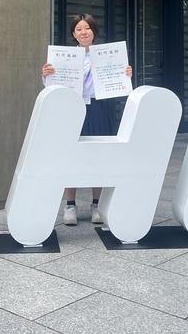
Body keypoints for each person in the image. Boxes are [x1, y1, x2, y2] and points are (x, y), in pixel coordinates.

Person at [41, 14, 132, 226]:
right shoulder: (64, 57)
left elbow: (119, 84)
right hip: (71, 109)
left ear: (94, 31)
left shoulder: (107, 56)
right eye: (79, 29)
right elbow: (52, 86)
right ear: (73, 34)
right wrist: (46, 74)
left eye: (87, 28)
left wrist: (125, 74)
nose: (84, 32)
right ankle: (70, 205)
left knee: (98, 154)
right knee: (70, 155)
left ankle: (96, 205)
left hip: (98, 109)